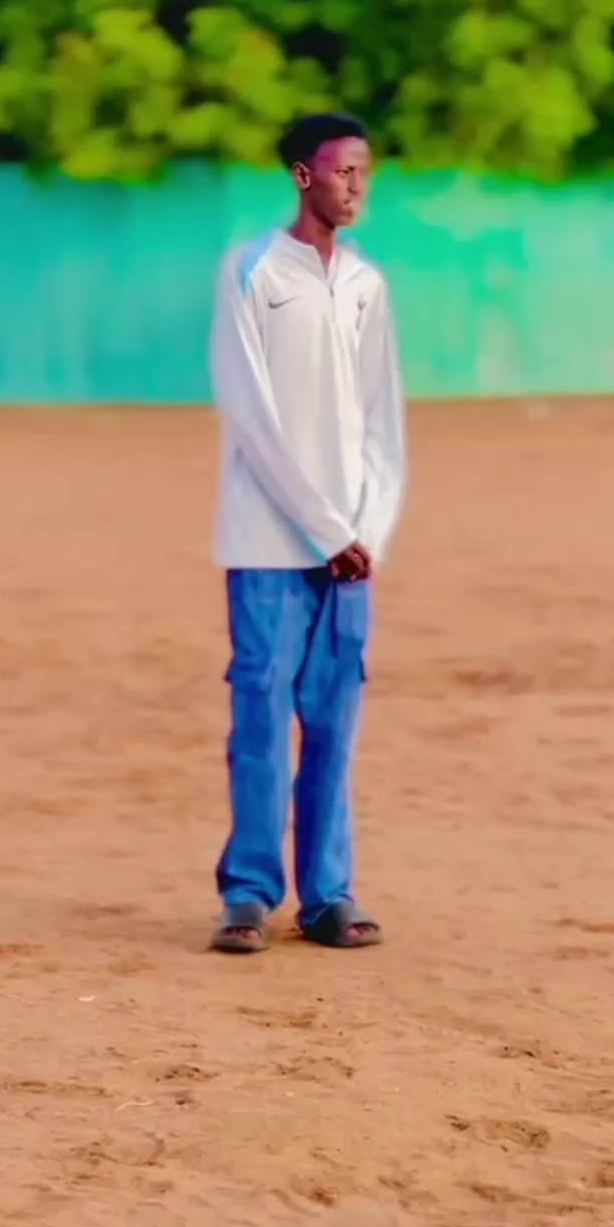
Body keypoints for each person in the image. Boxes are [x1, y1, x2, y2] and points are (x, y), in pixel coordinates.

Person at [208, 112, 407, 955]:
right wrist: (325, 527)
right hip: (267, 542)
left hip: (351, 554)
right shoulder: (252, 270)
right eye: (341, 172)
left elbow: (382, 422)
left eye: (364, 172)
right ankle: (249, 894)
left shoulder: (366, 283)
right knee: (260, 714)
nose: (356, 187)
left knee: (334, 719)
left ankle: (328, 894)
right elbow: (251, 416)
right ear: (303, 176)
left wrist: (368, 531)